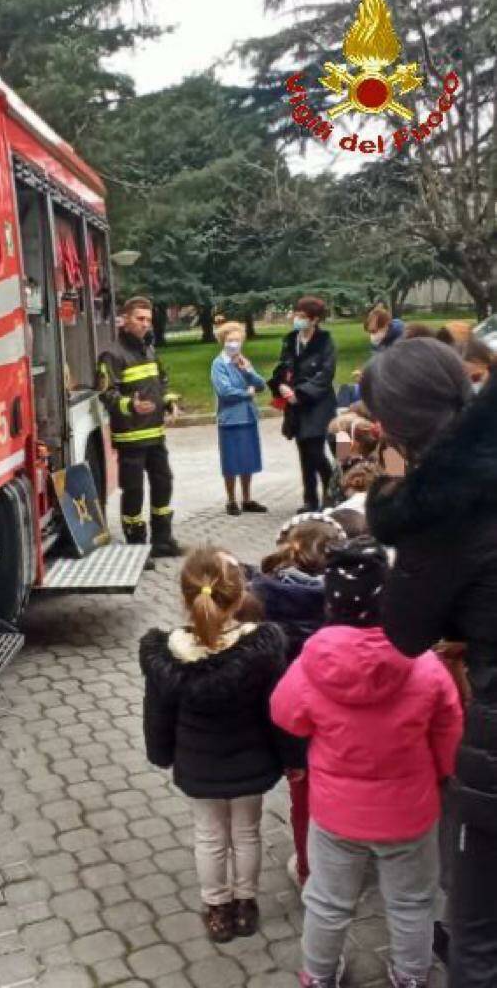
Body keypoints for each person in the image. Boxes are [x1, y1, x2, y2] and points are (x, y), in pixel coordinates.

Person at [360, 338, 497, 988]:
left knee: (475, 937)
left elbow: (405, 632)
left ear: (388, 427)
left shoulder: (438, 512)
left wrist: (392, 487)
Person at [271, 537, 463, 988]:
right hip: (409, 814)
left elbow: (286, 714)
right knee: (412, 902)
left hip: (336, 815)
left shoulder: (310, 663)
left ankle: (319, 975)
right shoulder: (424, 665)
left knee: (327, 902)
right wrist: (439, 775)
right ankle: (410, 976)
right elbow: (449, 735)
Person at [139, 547, 295, 942]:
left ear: (185, 599)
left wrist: (160, 753)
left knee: (209, 835)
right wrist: (292, 757)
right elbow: (279, 709)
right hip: (252, 762)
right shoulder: (263, 647)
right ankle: (246, 904)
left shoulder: (168, 653)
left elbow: (158, 712)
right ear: (240, 597)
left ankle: (217, 909)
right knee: (247, 833)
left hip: (198, 765)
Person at [246, 514, 347, 888]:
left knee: (303, 804)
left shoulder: (262, 598)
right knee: (345, 797)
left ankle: (308, 870)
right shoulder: (348, 599)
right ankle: (348, 865)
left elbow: (266, 683)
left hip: (294, 734)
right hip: (343, 731)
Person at [98, 297, 181, 557]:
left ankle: (162, 540)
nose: (145, 324)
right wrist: (130, 405)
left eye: (148, 319)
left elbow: (160, 383)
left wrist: (169, 403)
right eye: (140, 318)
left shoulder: (149, 349)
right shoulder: (112, 354)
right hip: (131, 437)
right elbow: (105, 393)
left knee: (163, 483)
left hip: (156, 435)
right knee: (133, 491)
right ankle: (136, 548)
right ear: (124, 320)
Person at [269, 297, 337, 513]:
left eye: (301, 316)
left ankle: (331, 489)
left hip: (317, 403)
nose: (296, 319)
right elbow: (281, 368)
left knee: (316, 450)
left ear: (314, 319)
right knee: (303, 452)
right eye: (295, 315)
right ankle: (310, 498)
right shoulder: (290, 340)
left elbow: (326, 373)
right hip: (294, 405)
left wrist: (301, 393)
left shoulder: (324, 341)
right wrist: (281, 386)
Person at [211, 321, 268, 516]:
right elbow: (224, 390)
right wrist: (247, 393)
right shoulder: (219, 364)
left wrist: (248, 371)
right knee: (231, 461)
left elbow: (261, 385)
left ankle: (247, 498)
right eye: (230, 340)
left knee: (247, 460)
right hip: (230, 419)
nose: (234, 344)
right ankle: (231, 500)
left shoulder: (243, 361)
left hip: (248, 417)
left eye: (237, 340)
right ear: (223, 342)